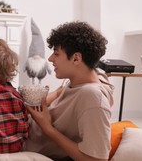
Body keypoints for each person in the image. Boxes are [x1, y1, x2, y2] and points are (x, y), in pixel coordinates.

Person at [24, 21, 114, 161]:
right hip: (25, 125)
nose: (50, 59)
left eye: (57, 54)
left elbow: (97, 160)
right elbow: (62, 92)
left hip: (22, 141)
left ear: (76, 58)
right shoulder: (90, 76)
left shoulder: (92, 97)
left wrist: (48, 128)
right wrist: (41, 100)